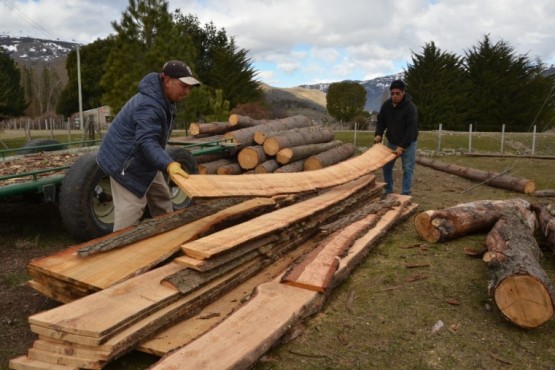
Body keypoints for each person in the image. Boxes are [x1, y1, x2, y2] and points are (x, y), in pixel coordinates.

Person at [97, 60, 200, 232]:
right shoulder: (149, 104)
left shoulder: (163, 99)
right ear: (167, 80)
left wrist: (163, 163)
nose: (187, 91)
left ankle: (168, 236)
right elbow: (146, 141)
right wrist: (168, 164)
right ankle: (118, 252)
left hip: (142, 160)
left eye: (189, 87)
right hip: (124, 163)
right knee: (131, 210)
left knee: (162, 198)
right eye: (183, 85)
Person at [374, 79, 418, 195]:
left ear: (403, 93)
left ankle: (405, 193)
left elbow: (411, 130)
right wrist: (378, 134)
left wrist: (402, 147)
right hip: (392, 142)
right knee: (387, 167)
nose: (394, 96)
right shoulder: (386, 106)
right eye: (392, 93)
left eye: (397, 93)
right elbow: (381, 121)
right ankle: (388, 190)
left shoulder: (410, 108)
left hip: (408, 143)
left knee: (407, 169)